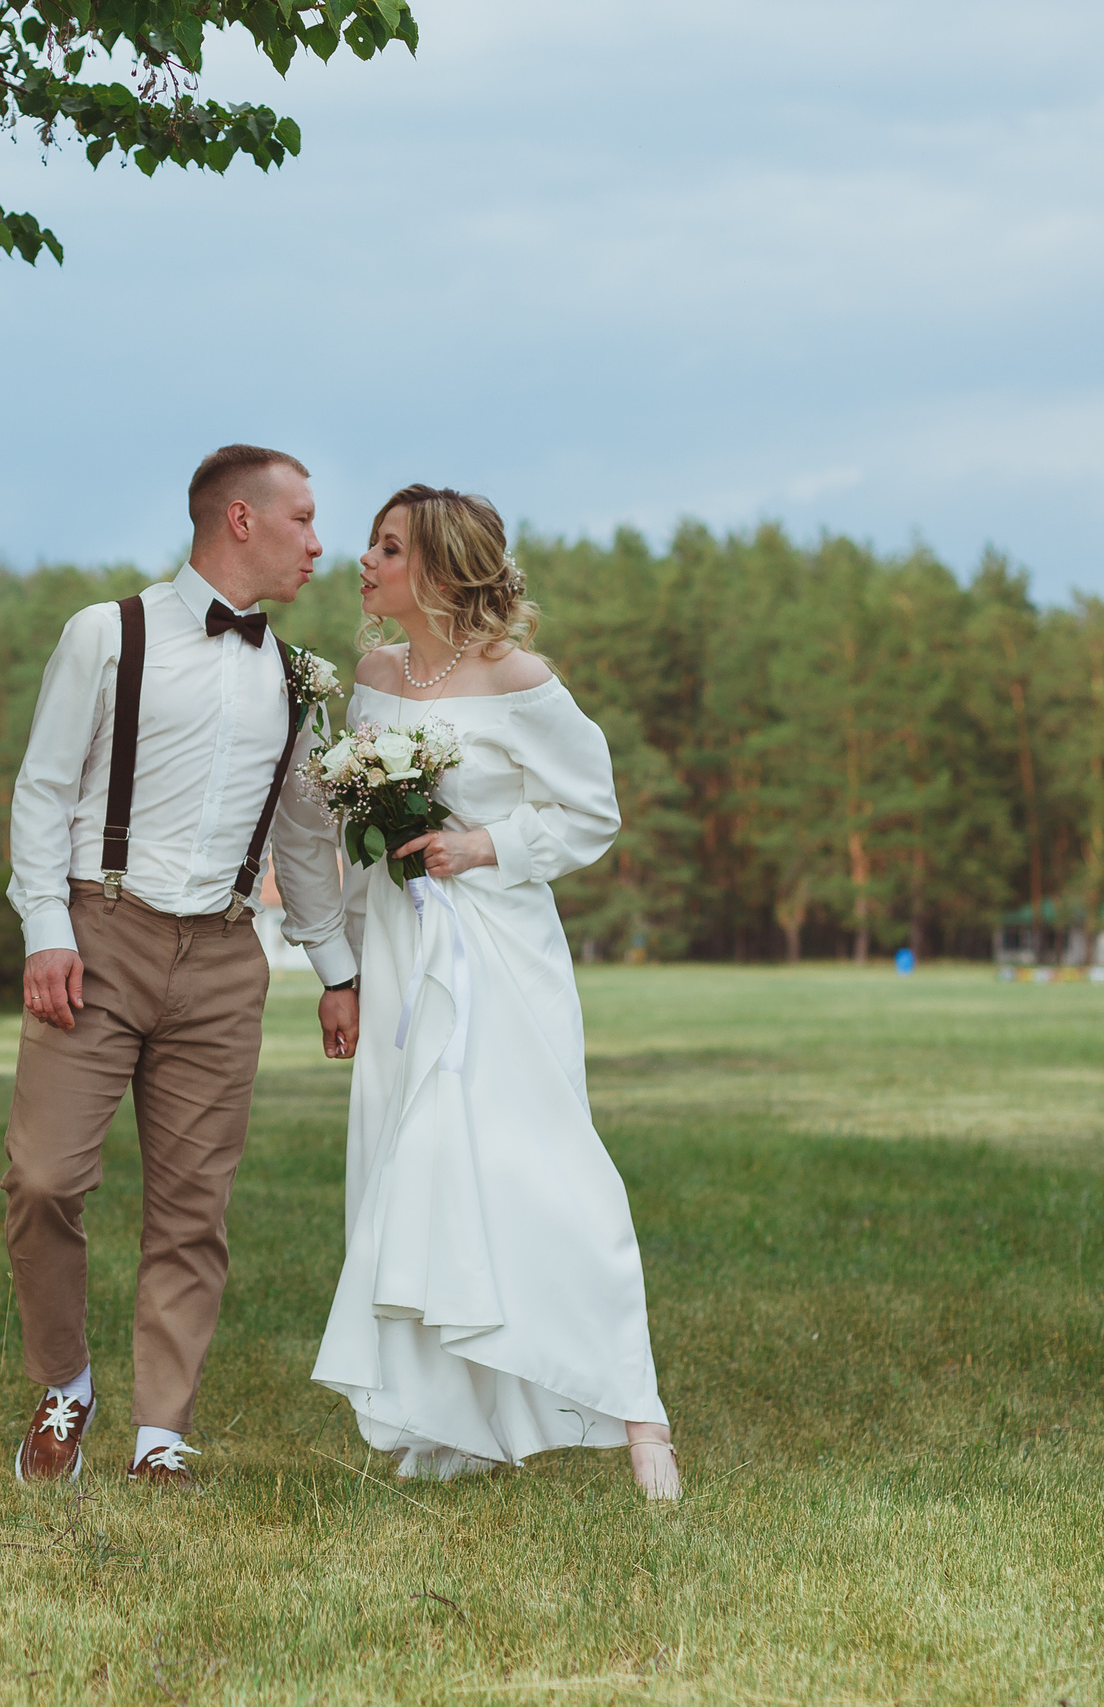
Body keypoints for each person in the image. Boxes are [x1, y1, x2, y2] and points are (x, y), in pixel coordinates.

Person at [309, 484, 682, 1501]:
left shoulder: (519, 679)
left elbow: (590, 812)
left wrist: (486, 845)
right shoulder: (375, 678)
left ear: (435, 568)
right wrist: (339, 971)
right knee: (409, 1173)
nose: (364, 562)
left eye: (386, 549)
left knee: (543, 1170)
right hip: (397, 954)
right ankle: (445, 1423)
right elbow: (359, 845)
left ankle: (636, 1410)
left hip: (496, 955)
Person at [2, 445, 356, 1487]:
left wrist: (333, 969)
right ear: (238, 521)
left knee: (193, 1206)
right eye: (301, 519)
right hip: (96, 935)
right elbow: (40, 790)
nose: (318, 542)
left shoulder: (296, 678)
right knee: (42, 1178)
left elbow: (300, 840)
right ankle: (64, 1386)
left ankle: (162, 1433)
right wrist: (44, 930)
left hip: (222, 958)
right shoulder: (105, 634)